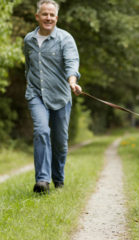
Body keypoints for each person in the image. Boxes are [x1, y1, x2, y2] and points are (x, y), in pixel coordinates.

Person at [24, 0, 82, 193]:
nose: (48, 18)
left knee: (60, 142)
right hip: (36, 94)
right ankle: (42, 181)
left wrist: (72, 81)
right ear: (37, 17)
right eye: (44, 14)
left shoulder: (65, 39)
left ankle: (58, 180)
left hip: (60, 96)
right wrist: (30, 85)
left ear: (56, 18)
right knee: (41, 131)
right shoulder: (29, 40)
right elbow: (29, 66)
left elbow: (71, 62)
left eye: (52, 15)